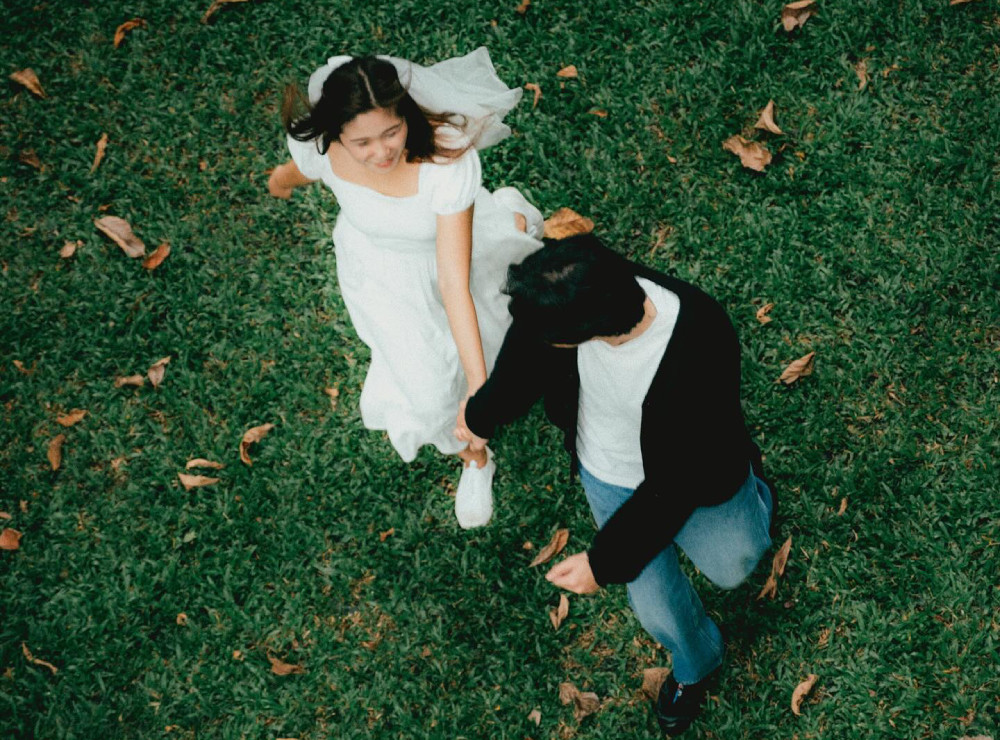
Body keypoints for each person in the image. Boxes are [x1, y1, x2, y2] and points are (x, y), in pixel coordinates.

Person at [454, 234, 775, 736]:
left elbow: (674, 488)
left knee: (736, 566)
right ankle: (697, 662)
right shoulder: (580, 280)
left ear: (586, 331)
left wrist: (601, 564)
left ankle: (753, 492)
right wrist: (480, 415)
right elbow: (525, 355)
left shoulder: (699, 340)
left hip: (695, 474)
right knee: (656, 602)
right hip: (608, 472)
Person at [268, 48, 543, 528]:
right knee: (428, 391)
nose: (382, 152)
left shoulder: (445, 159)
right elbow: (305, 169)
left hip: (449, 256)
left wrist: (479, 390)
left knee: (496, 317)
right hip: (383, 273)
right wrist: (280, 180)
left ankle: (510, 217)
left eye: (391, 132)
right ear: (338, 134)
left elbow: (454, 283)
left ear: (406, 115)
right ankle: (474, 459)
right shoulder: (323, 147)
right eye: (363, 143)